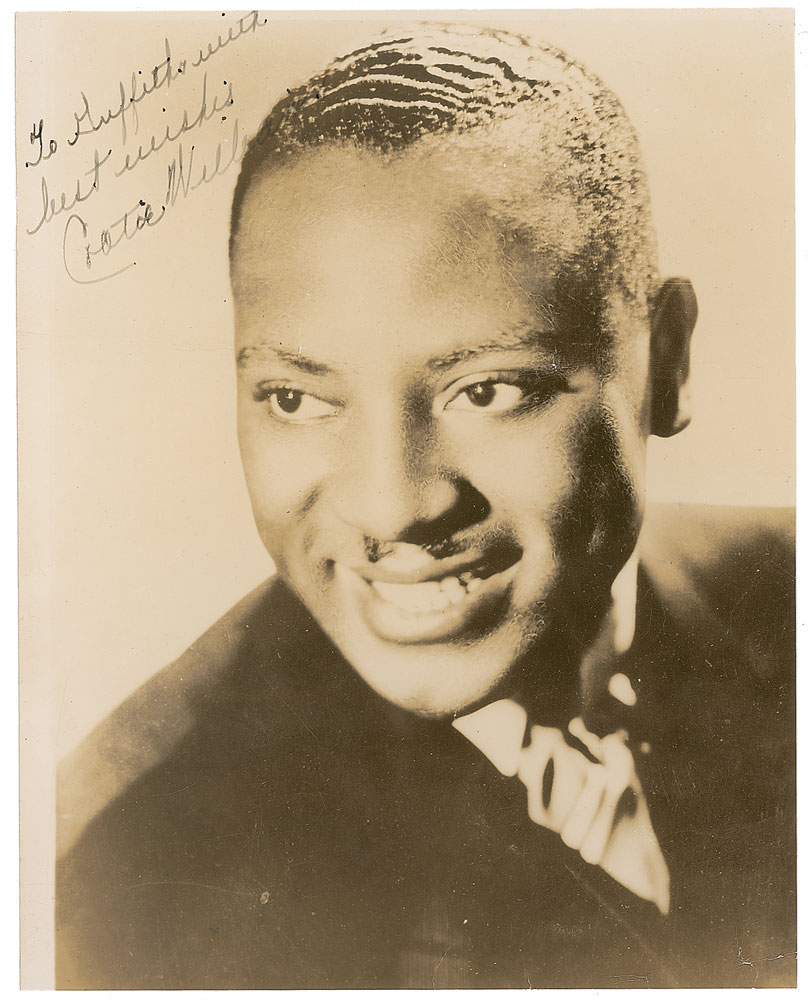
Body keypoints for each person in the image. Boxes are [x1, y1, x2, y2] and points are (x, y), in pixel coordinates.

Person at [55, 24, 795, 988]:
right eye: (297, 399)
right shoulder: (131, 875)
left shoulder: (784, 596)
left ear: (669, 360)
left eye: (489, 390)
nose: (392, 507)